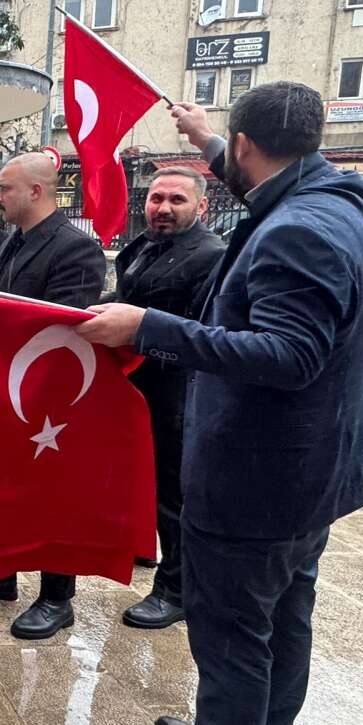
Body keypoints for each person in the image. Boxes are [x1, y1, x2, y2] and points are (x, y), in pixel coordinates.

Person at [80, 84, 363, 725]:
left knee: (236, 650)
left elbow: (288, 353)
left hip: (255, 490)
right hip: (312, 480)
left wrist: (148, 327)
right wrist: (205, 136)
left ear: (247, 146)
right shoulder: (338, 201)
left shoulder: (300, 231)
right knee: (286, 625)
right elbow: (261, 180)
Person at [0, 153, 106, 640]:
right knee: (5, 484)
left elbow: (61, 324)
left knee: (52, 494)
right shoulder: (14, 239)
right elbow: (0, 302)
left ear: (36, 191)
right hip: (6, 388)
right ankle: (0, 575)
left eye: (5, 188)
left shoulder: (77, 249)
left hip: (50, 396)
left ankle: (58, 598)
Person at [107, 166, 224, 630]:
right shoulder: (140, 247)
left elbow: (207, 333)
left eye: (177, 200)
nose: (163, 208)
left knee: (173, 493)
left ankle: (175, 590)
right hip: (134, 385)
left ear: (201, 206)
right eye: (157, 199)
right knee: (142, 480)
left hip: (178, 391)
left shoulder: (213, 256)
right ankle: (146, 547)